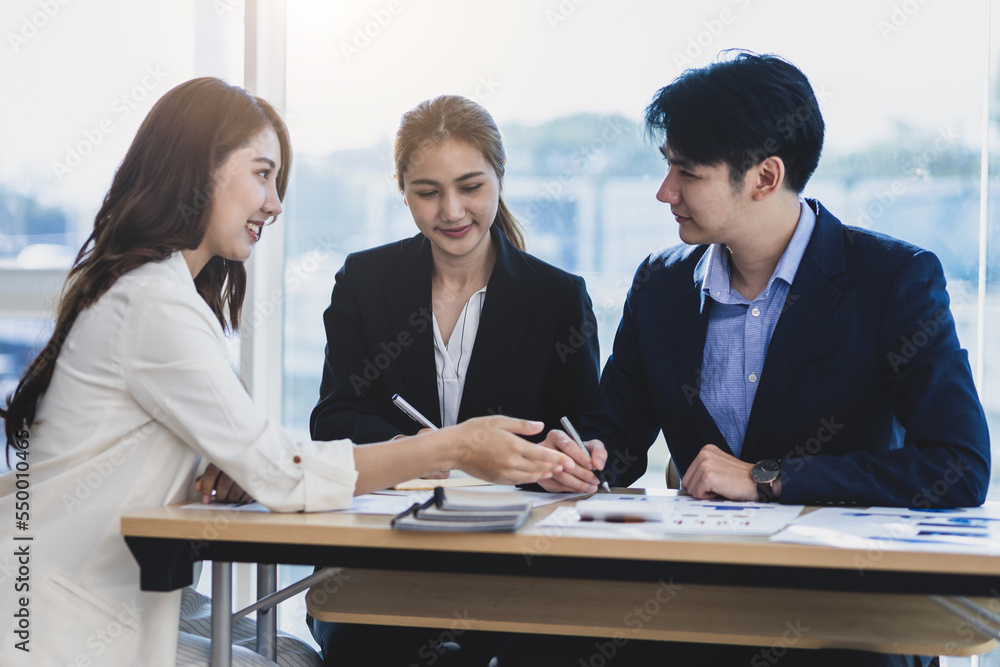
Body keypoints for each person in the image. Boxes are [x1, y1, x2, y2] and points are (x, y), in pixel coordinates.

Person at [0, 78, 576, 667]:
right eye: (261, 174)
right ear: (198, 169)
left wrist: (230, 463)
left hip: (80, 587)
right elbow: (286, 468)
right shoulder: (153, 301)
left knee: (298, 654)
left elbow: (234, 457)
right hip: (51, 615)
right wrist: (453, 445)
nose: (275, 203)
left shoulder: (154, 289)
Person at [533, 52, 990, 666]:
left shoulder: (893, 279)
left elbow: (957, 467)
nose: (665, 192)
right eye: (667, 167)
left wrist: (766, 477)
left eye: (686, 173)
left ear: (765, 177)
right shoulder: (660, 284)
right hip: (690, 597)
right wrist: (588, 458)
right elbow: (617, 430)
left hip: (845, 607)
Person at [307, 94, 603, 666]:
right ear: (402, 190)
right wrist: (414, 451)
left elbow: (582, 426)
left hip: (513, 553)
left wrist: (574, 458)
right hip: (381, 549)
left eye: (470, 187)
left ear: (499, 178)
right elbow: (333, 416)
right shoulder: (364, 280)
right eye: (427, 192)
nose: (451, 211)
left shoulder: (557, 297)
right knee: (368, 645)